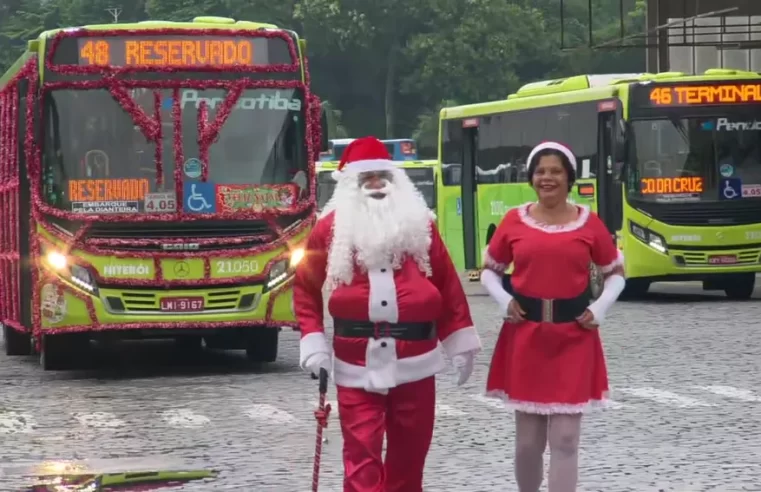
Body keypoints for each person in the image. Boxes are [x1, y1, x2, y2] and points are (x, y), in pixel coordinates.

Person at [294, 136, 481, 492]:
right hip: (355, 364)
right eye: (368, 179)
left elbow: (448, 286)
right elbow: (304, 286)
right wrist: (313, 339)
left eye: (383, 177)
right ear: (352, 186)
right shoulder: (329, 230)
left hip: (417, 363)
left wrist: (459, 342)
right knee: (361, 465)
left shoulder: (421, 227)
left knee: (409, 462)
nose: (377, 185)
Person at [479, 141, 626, 492]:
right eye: (541, 171)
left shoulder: (589, 224)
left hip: (574, 337)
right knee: (529, 441)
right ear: (531, 178)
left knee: (565, 439)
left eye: (556, 171)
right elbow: (489, 271)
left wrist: (599, 308)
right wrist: (503, 300)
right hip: (526, 337)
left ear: (569, 178)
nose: (547, 178)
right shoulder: (515, 220)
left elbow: (615, 273)